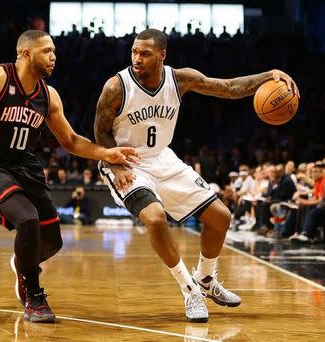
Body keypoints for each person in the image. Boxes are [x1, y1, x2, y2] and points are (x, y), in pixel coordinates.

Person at [94, 28, 299, 323]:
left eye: (145, 53)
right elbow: (100, 130)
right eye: (134, 52)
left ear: (162, 55)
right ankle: (189, 290)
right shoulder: (116, 87)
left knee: (221, 217)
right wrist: (114, 164)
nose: (137, 58)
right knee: (154, 218)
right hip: (127, 162)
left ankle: (205, 280)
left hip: (163, 158)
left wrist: (269, 75)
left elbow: (229, 88)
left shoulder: (180, 79)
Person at [0, 30, 139, 323]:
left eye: (54, 50)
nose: (54, 56)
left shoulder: (49, 95)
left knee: (52, 240)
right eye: (47, 50)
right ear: (26, 53)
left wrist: (107, 154)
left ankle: (22, 263)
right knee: (27, 219)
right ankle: (33, 296)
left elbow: (69, 140)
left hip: (24, 166)